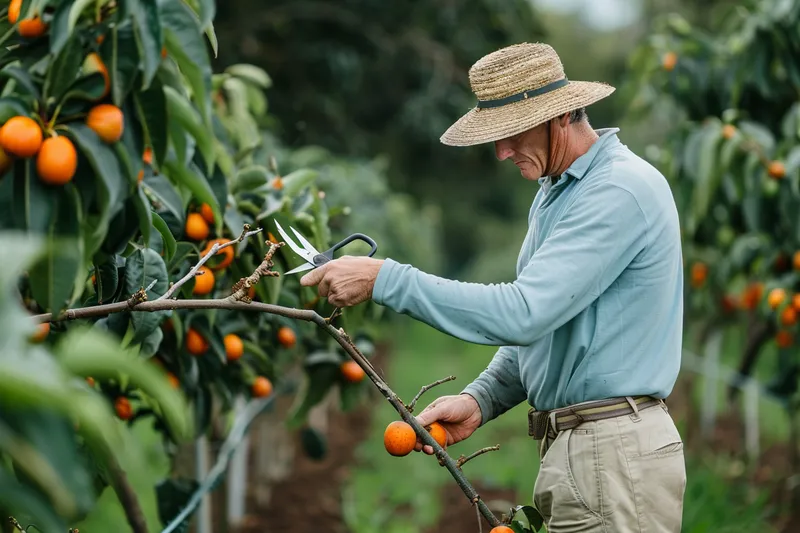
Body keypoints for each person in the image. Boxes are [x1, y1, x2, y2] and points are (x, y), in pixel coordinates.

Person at [299, 42, 686, 532]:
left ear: (562, 115)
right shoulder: (557, 192)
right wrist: (483, 399)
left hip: (612, 456)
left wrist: (385, 279)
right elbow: (547, 328)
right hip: (584, 451)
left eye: (512, 133)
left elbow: (523, 313)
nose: (502, 151)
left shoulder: (617, 191)